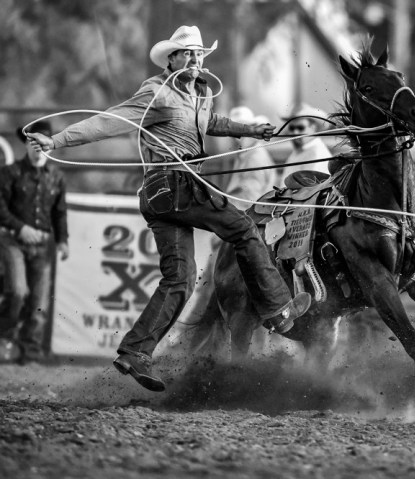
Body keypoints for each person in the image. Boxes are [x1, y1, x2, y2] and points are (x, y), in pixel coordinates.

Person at [27, 25, 311, 392]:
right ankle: (278, 309)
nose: (194, 59)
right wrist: (57, 140)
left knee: (181, 278)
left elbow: (211, 123)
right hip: (172, 186)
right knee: (242, 228)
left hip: (167, 196)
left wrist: (251, 130)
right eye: (187, 53)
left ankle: (135, 352)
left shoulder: (200, 94)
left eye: (198, 54)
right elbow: (109, 121)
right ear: (172, 58)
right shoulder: (156, 91)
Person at [0, 120, 70, 364]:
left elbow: (59, 212)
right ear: (27, 145)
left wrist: (62, 241)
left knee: (38, 302)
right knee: (18, 292)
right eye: (35, 143)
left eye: (44, 144)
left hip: (41, 244)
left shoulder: (57, 178)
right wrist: (21, 228)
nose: (40, 148)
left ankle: (29, 351)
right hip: (12, 240)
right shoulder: (9, 173)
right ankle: (5, 336)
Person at [281, 103, 332, 182]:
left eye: (300, 128)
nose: (295, 132)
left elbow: (307, 191)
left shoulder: (317, 154)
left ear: (313, 127)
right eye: (291, 128)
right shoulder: (298, 152)